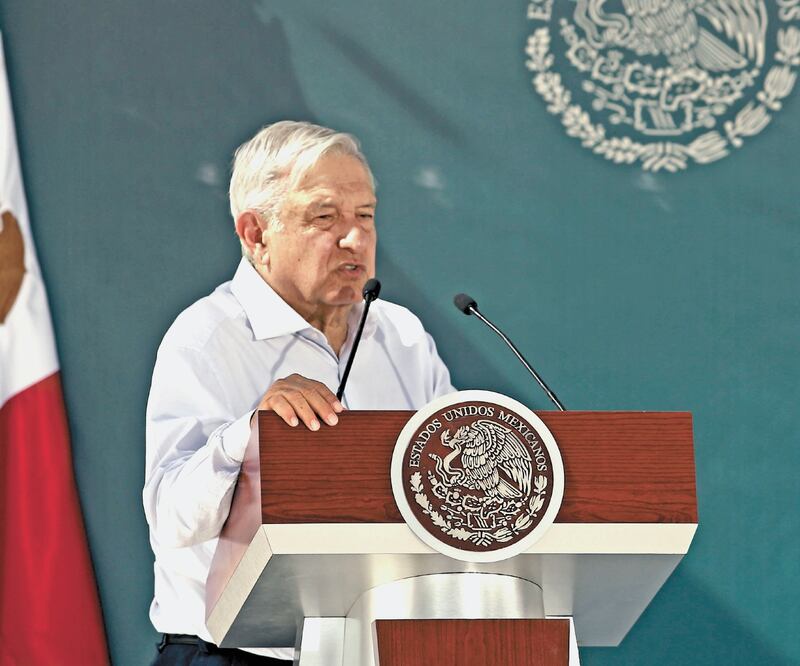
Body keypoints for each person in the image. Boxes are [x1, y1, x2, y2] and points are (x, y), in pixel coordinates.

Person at [143, 121, 455, 665]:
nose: (355, 238)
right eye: (325, 217)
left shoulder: (401, 336)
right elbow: (169, 520)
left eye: (365, 216)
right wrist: (248, 436)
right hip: (235, 655)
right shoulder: (207, 337)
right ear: (255, 233)